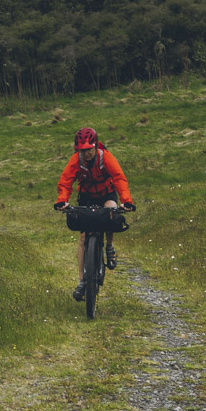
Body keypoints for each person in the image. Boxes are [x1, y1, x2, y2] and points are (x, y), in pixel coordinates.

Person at [54, 127, 135, 302]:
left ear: (95, 146)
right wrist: (62, 200)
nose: (86, 153)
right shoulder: (76, 161)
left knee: (112, 211)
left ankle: (110, 246)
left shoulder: (105, 157)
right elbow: (66, 181)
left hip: (106, 194)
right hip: (86, 197)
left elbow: (119, 179)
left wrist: (127, 201)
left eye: (89, 149)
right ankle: (82, 281)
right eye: (82, 150)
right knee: (83, 238)